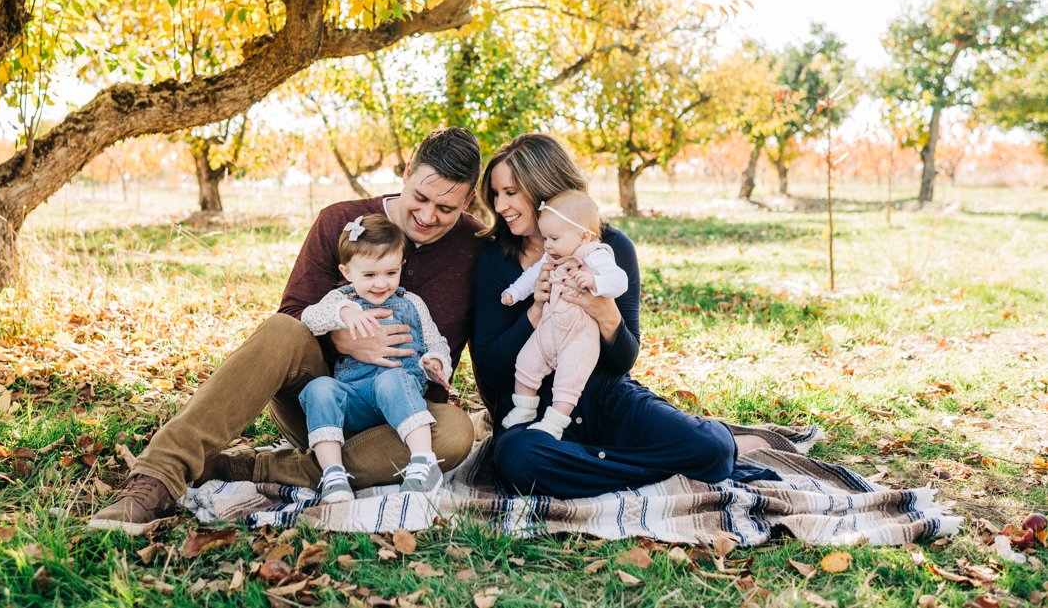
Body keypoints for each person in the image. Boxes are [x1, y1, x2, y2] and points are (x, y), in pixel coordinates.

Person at [90, 128, 484, 534]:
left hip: (403, 423)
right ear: (406, 172)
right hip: (321, 400)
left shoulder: (476, 245)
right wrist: (342, 338)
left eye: (446, 207)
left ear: (467, 200)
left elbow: (489, 341)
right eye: (420, 197)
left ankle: (257, 467)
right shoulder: (338, 222)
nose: (427, 215)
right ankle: (158, 475)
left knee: (456, 433)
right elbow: (294, 314)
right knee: (282, 329)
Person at [470, 133, 776, 498]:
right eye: (495, 193)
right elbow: (489, 370)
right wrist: (534, 311)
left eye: (511, 192)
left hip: (606, 399)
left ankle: (597, 462)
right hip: (535, 416)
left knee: (716, 450)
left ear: (545, 188)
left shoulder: (610, 248)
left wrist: (607, 316)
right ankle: (659, 467)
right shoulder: (493, 260)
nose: (500, 204)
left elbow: (624, 360)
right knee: (517, 461)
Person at [298, 214, 453, 501]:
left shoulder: (412, 302)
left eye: (390, 273)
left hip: (399, 395)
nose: (381, 284)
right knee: (319, 388)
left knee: (391, 379)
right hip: (354, 399)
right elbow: (308, 318)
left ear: (401, 266)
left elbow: (435, 341)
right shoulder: (341, 301)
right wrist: (343, 312)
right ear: (347, 272)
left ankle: (424, 462)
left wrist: (435, 362)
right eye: (369, 275)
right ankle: (334, 475)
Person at [498, 189, 627, 440]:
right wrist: (514, 292)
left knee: (568, 382)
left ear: (584, 236)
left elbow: (619, 280)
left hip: (579, 337)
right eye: (545, 237)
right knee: (525, 364)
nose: (547, 245)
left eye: (554, 238)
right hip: (549, 328)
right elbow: (532, 276)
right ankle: (524, 408)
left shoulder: (595, 255)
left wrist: (593, 280)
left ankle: (554, 423)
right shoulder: (552, 256)